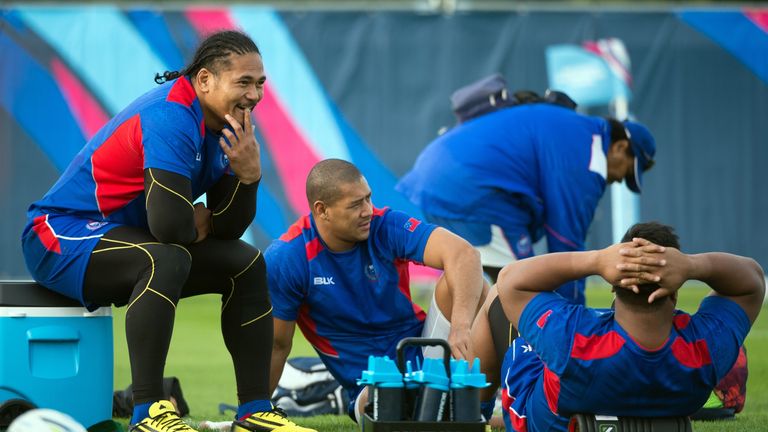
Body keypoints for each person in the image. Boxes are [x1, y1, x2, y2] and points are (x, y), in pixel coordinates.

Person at [21, 30, 314, 432]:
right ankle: (148, 411)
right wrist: (188, 220)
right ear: (206, 79)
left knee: (246, 263)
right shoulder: (171, 114)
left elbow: (227, 229)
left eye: (260, 83)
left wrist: (250, 177)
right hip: (56, 235)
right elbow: (169, 226)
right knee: (164, 257)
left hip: (125, 240)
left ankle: (255, 411)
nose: (255, 94)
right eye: (244, 82)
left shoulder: (233, 127)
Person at [264, 159, 488, 423]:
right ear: (322, 210)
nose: (368, 210)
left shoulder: (385, 225)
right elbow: (277, 345)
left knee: (475, 286)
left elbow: (465, 255)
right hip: (368, 384)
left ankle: (479, 411)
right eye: (355, 204)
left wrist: (460, 327)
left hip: (423, 355)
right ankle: (459, 413)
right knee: (390, 402)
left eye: (368, 198)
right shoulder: (287, 257)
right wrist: (255, 408)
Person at [486, 221, 764, 432]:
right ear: (675, 290)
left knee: (493, 298)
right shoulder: (706, 347)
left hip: (547, 423)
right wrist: (693, 266)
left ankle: (476, 413)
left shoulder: (572, 336)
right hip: (662, 402)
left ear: (613, 284)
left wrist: (596, 260)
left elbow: (510, 280)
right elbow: (752, 281)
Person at [397, 98, 657, 304]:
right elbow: (567, 248)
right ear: (620, 147)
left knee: (467, 279)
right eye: (626, 171)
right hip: (471, 187)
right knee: (521, 288)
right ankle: (511, 363)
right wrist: (575, 319)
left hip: (434, 176)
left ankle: (443, 358)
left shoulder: (576, 129)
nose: (618, 179)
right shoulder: (588, 155)